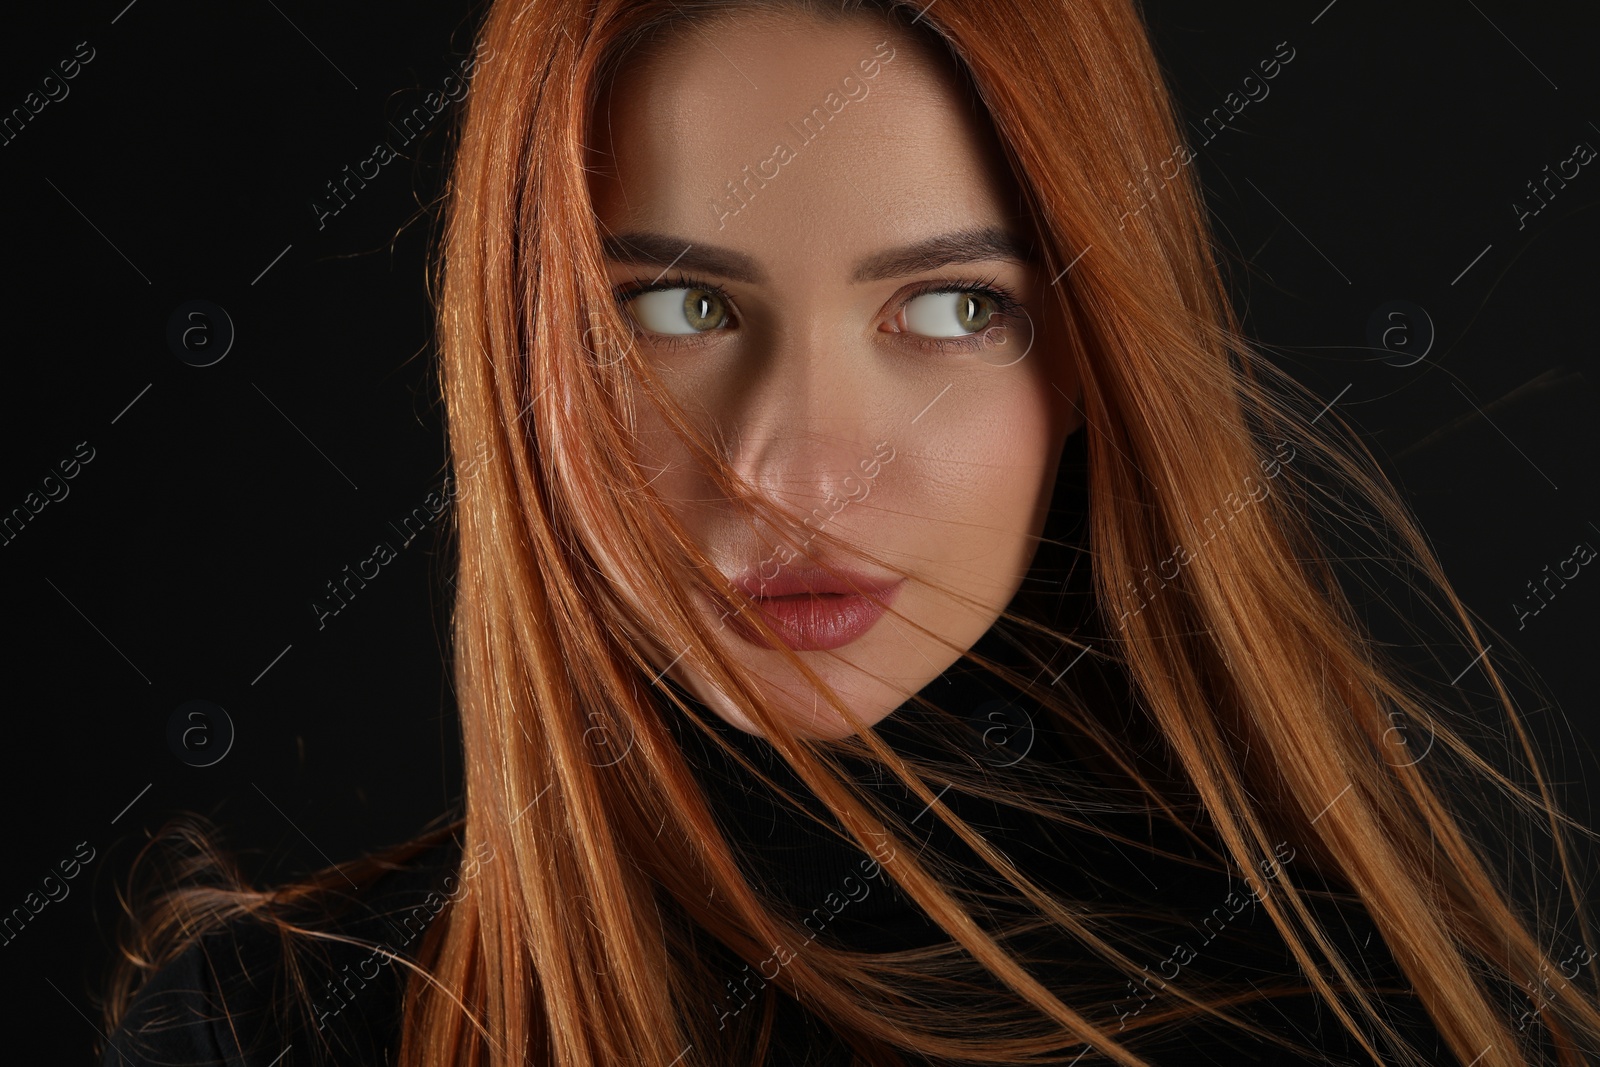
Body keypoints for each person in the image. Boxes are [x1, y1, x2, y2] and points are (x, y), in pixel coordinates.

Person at [95, 1, 1600, 1064]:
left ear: (1091, 364)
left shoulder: (1355, 1023)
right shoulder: (272, 1031)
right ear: (517, 352)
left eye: (950, 309)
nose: (793, 475)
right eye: (679, 309)